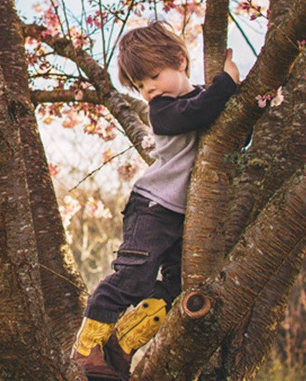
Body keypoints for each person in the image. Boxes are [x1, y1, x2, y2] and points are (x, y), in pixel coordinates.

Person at [71, 21, 240, 380]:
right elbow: (197, 113)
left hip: (185, 215)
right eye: (138, 84)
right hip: (153, 207)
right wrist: (226, 84)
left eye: (152, 76)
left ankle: (122, 342)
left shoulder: (200, 97)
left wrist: (232, 100)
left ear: (180, 59)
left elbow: (232, 128)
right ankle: (86, 350)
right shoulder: (163, 110)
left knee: (182, 287)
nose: (147, 89)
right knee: (134, 277)